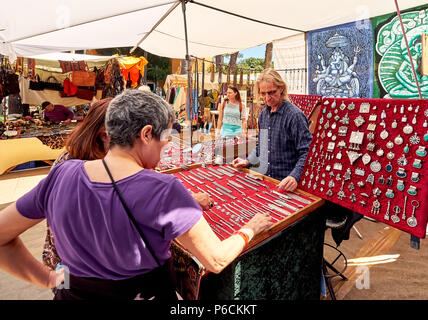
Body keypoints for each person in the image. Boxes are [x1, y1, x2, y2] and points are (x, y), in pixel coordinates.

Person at [0, 89, 272, 300]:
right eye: (165, 139)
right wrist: (250, 229)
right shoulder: (164, 189)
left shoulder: (63, 173)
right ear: (145, 134)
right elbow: (216, 259)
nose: (166, 147)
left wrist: (48, 278)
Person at [42, 98, 216, 272]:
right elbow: (217, 260)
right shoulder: (86, 167)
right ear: (105, 135)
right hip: (79, 269)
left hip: (68, 269)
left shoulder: (71, 159)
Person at [232, 69, 312, 192]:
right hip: (265, 179)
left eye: (271, 92)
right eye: (263, 93)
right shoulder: (263, 115)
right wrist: (248, 161)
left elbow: (307, 152)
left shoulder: (295, 116)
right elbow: (261, 147)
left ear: (281, 89)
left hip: (286, 183)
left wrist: (294, 176)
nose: (267, 98)